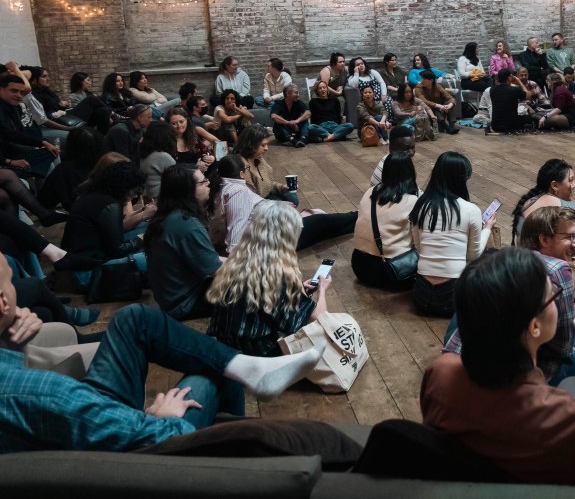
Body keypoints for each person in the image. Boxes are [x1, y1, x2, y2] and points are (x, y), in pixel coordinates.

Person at [0, 256, 325, 452]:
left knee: (134, 318)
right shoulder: (33, 395)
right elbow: (140, 435)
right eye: (13, 280)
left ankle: (246, 367)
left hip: (81, 411)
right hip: (143, 449)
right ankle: (236, 457)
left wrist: (11, 342)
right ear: (3, 299)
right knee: (210, 371)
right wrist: (157, 418)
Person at [420, 247, 575, 484]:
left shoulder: (439, 373)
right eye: (552, 294)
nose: (557, 298)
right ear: (534, 326)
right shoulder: (568, 417)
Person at [446, 206, 575, 382]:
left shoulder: (503, 262)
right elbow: (563, 346)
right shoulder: (557, 270)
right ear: (544, 240)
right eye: (570, 237)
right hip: (515, 369)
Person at [206, 202, 332, 357]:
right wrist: (322, 290)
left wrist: (300, 291)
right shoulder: (279, 273)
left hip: (226, 346)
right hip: (260, 355)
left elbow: (263, 303)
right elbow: (319, 319)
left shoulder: (236, 260)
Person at [210, 154, 357, 254]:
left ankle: (360, 218)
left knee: (324, 226)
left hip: (271, 231)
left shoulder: (223, 188)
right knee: (323, 222)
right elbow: (235, 235)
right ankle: (361, 216)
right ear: (242, 174)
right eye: (246, 169)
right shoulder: (237, 192)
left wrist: (277, 206)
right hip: (274, 238)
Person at [409, 152, 494, 316]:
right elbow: (474, 254)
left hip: (421, 295)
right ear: (461, 179)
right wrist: (488, 228)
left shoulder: (421, 205)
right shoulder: (470, 210)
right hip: (452, 299)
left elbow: (419, 249)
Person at [144, 165, 223, 320]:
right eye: (202, 182)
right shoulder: (187, 225)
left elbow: (209, 259)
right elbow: (218, 271)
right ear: (188, 190)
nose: (208, 184)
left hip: (171, 298)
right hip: (185, 303)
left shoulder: (169, 216)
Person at [60, 160, 148, 293]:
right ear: (124, 187)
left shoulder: (92, 196)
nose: (135, 195)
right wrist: (142, 238)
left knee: (144, 228)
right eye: (133, 190)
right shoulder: (110, 206)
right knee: (152, 257)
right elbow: (118, 250)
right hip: (89, 274)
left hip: (77, 267)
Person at [351, 152, 419, 287]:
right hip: (393, 271)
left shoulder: (370, 192)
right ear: (410, 172)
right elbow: (418, 241)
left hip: (359, 266)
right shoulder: (412, 201)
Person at [0, 73, 60, 177]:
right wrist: (9, 162)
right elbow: (9, 134)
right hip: (7, 158)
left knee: (53, 153)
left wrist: (42, 143)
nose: (19, 95)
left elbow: (18, 133)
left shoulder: (13, 106)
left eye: (21, 92)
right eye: (13, 91)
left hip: (14, 150)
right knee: (51, 153)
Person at [510, 158, 575, 244]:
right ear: (555, 185)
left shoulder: (527, 203)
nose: (574, 185)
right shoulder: (571, 209)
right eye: (570, 180)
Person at [37, 126, 104, 211]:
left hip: (85, 217)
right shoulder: (109, 163)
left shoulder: (65, 170)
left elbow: (44, 201)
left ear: (71, 145)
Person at [234, 125, 297, 205]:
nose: (266, 148)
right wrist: (278, 205)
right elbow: (249, 199)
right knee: (288, 205)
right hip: (256, 204)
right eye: (263, 145)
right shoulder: (241, 166)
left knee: (293, 198)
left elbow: (269, 184)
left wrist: (282, 187)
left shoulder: (257, 158)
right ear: (251, 144)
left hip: (266, 196)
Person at [139, 121, 177, 201]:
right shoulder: (163, 157)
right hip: (162, 201)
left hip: (149, 200)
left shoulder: (144, 155)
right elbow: (179, 182)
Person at [370, 123, 416, 189]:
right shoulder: (393, 167)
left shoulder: (390, 160)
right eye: (406, 148)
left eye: (413, 147)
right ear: (391, 147)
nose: (411, 152)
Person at [414, 70, 459, 135]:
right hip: (428, 111)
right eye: (422, 78)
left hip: (441, 108)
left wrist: (450, 105)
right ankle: (446, 127)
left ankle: (451, 125)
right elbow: (423, 101)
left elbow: (449, 97)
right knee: (433, 108)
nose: (422, 80)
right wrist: (438, 105)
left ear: (431, 80)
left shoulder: (437, 86)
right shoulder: (418, 88)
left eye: (424, 79)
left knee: (450, 101)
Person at [489, 69, 532, 133]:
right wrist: (519, 81)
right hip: (511, 125)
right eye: (511, 76)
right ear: (509, 77)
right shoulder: (514, 90)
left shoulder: (492, 90)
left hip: (495, 125)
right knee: (530, 118)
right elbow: (528, 96)